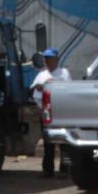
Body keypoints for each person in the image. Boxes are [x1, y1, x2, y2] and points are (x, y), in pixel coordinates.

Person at [30, 47, 69, 176]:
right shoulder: (41, 75)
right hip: (47, 112)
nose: (48, 62)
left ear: (56, 60)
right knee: (48, 142)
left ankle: (65, 169)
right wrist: (41, 108)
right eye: (46, 59)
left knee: (64, 142)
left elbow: (69, 91)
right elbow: (36, 93)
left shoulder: (64, 73)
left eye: (51, 59)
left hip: (62, 112)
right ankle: (48, 170)